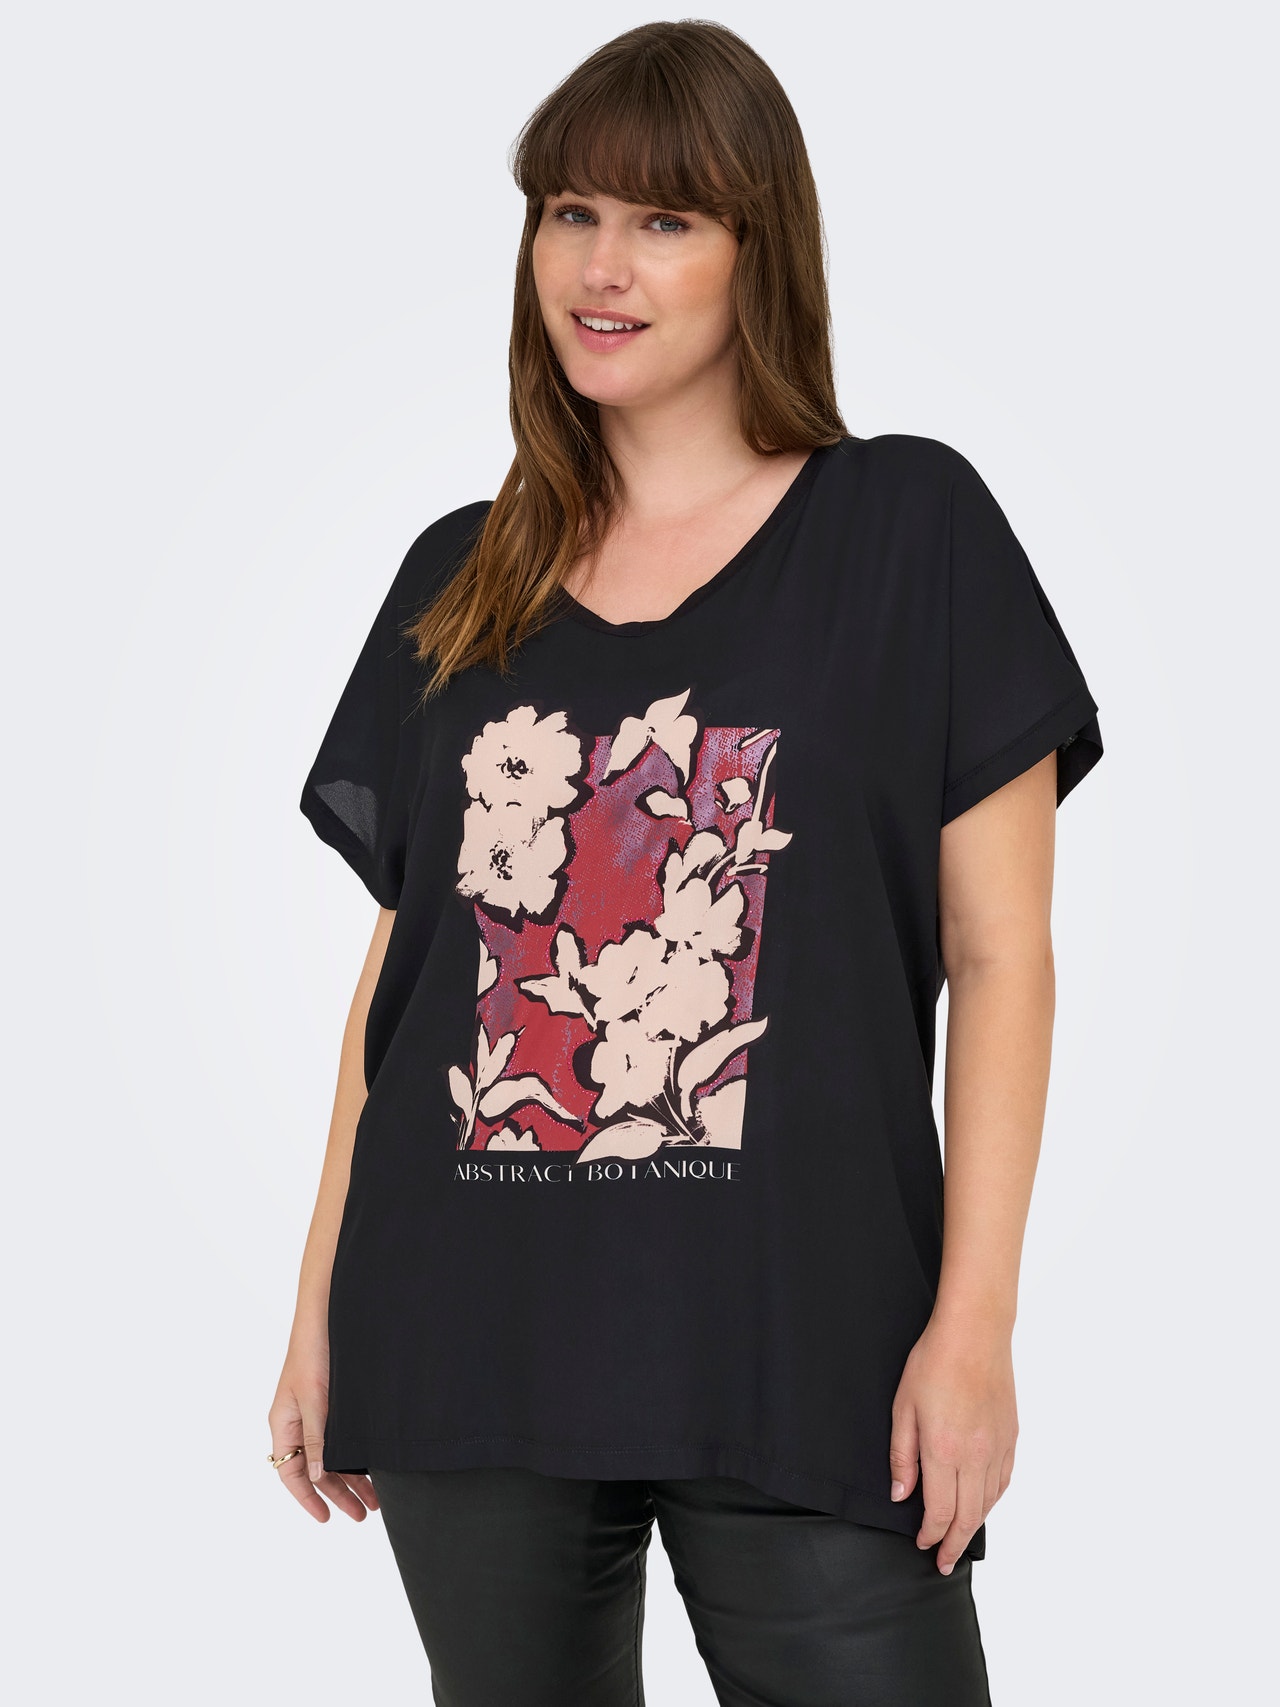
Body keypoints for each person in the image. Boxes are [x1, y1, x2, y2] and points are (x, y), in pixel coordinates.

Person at [268, 20, 1103, 1707]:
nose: (603, 267)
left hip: (806, 1340)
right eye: (570, 213)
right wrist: (318, 1307)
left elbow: (1002, 955)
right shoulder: (460, 576)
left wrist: (976, 1327)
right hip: (471, 1321)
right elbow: (405, 981)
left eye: (665, 221)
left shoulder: (909, 529)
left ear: (756, 250)